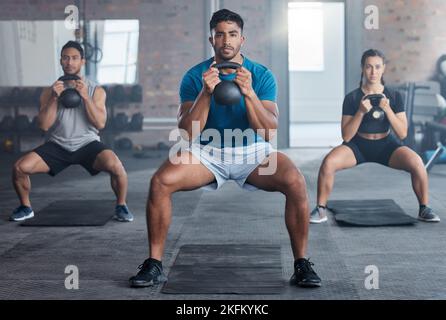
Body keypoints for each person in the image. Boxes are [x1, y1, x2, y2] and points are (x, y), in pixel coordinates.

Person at [129, 9, 321, 288]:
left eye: (232, 34)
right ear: (212, 39)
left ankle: (302, 264)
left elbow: (268, 131)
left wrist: (250, 93)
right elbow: (187, 132)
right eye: (220, 34)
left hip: (253, 152)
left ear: (242, 39)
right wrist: (205, 93)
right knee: (160, 181)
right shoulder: (196, 76)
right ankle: (154, 264)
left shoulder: (261, 75)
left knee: (296, 181)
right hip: (207, 152)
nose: (226, 40)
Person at [310, 49, 440, 224]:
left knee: (416, 163)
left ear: (383, 68)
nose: (373, 72)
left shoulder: (395, 96)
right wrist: (361, 112)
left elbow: (402, 133)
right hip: (358, 145)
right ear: (363, 69)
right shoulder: (352, 98)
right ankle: (320, 210)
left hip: (386, 145)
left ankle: (424, 208)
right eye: (369, 67)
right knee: (328, 163)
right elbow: (347, 136)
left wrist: (387, 109)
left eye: (377, 67)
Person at [10, 41, 134, 223]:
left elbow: (100, 123)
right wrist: (53, 98)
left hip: (87, 144)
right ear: (61, 61)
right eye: (66, 58)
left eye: (75, 58)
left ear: (82, 61)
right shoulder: (49, 92)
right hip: (57, 144)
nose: (70, 62)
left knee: (116, 167)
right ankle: (25, 207)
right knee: (20, 168)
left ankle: (121, 206)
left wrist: (84, 96)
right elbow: (44, 126)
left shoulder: (96, 90)